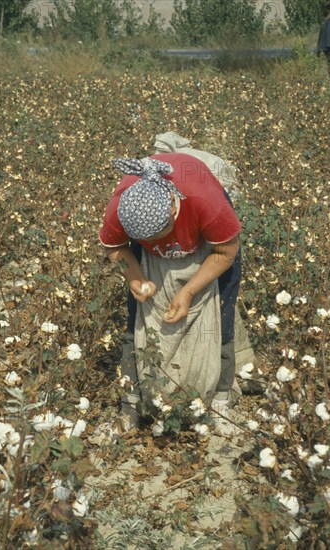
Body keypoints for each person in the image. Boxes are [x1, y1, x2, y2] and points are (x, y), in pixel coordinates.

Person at [99, 152, 242, 436]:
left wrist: (189, 290)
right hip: (152, 220)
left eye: (160, 236)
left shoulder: (205, 202)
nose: (157, 244)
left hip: (205, 215)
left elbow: (226, 251)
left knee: (221, 315)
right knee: (136, 318)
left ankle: (221, 401)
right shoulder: (123, 207)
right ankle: (131, 404)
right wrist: (136, 278)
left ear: (174, 211)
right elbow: (114, 247)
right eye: (145, 240)